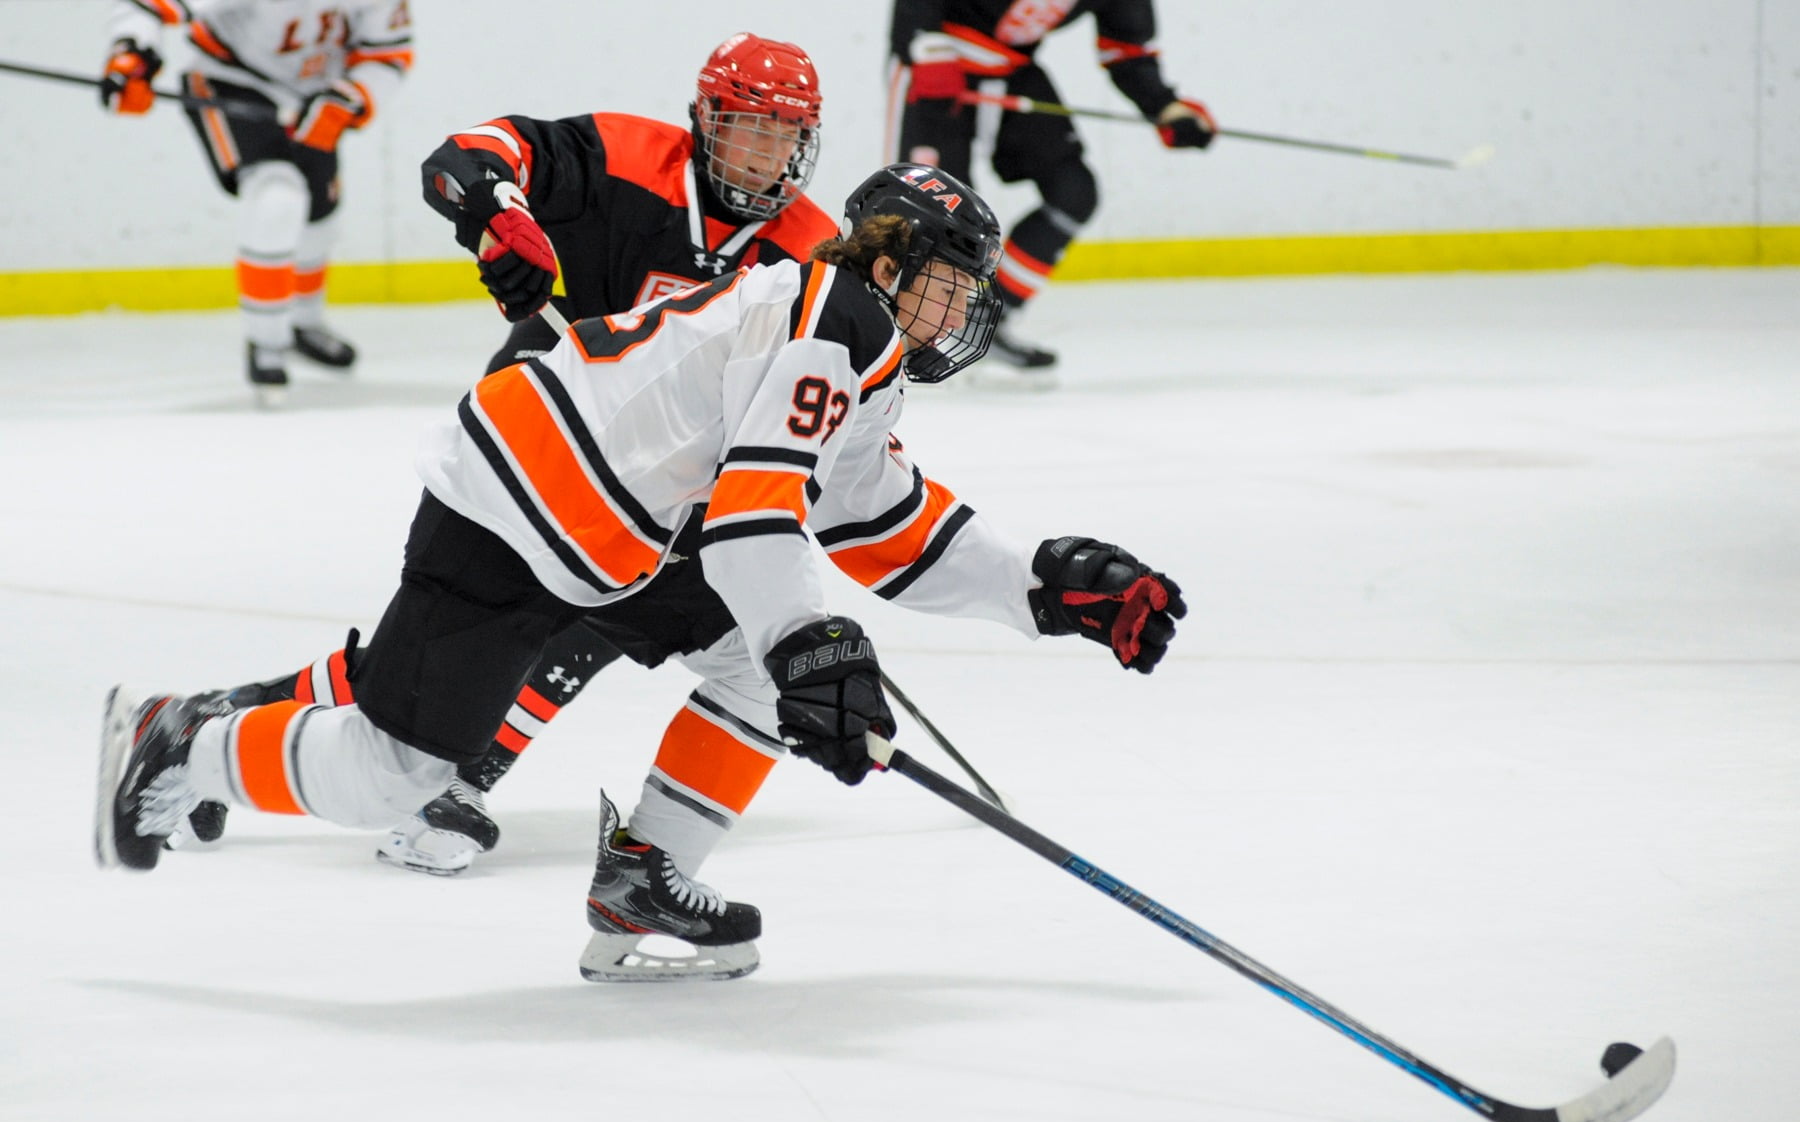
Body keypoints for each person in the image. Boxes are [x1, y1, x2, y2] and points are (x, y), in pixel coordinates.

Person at [95, 162, 1187, 985]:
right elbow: (757, 515)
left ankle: (639, 882)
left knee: (760, 671)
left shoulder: (864, 353)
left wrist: (1046, 590)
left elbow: (884, 524)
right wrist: (817, 648)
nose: (967, 312)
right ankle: (181, 742)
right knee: (397, 774)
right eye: (954, 286)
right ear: (893, 268)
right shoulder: (833, 316)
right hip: (520, 499)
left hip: (616, 529)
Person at [182, 33, 838, 877]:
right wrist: (500, 218)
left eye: (787, 134)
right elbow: (469, 157)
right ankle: (464, 777)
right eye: (751, 128)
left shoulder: (809, 250)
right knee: (572, 598)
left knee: (445, 653)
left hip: (657, 477)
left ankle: (223, 719)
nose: (768, 153)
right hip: (537, 434)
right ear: (706, 118)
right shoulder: (629, 155)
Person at [100, 0, 414, 399]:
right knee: (276, 198)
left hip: (313, 96)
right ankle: (267, 342)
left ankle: (304, 322)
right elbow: (145, 8)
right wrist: (132, 55)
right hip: (230, 81)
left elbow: (387, 53)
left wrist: (350, 97)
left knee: (320, 214)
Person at [886, 0, 1214, 371]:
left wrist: (1165, 106)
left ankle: (982, 324)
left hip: (1010, 66)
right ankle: (884, 331)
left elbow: (1126, 49)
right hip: (936, 58)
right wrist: (924, 42)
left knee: (1073, 193)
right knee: (928, 210)